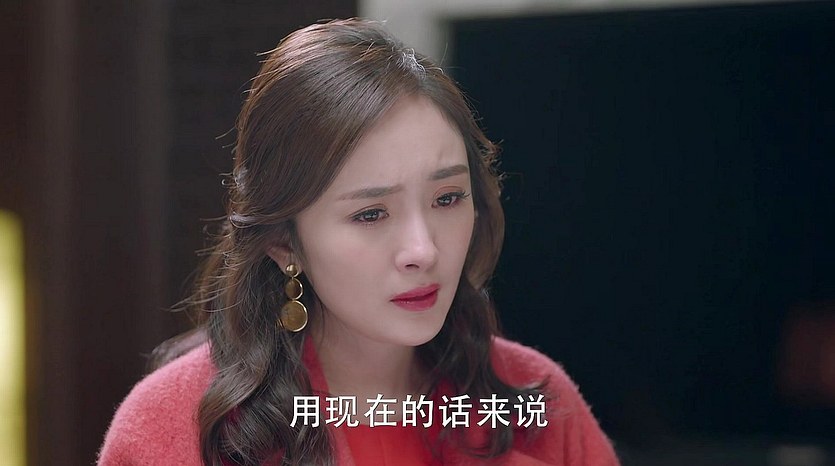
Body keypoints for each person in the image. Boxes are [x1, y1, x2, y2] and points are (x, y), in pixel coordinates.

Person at [98, 18, 619, 466]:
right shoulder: (174, 426)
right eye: (371, 214)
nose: (423, 251)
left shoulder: (536, 402)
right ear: (283, 241)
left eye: (447, 198)